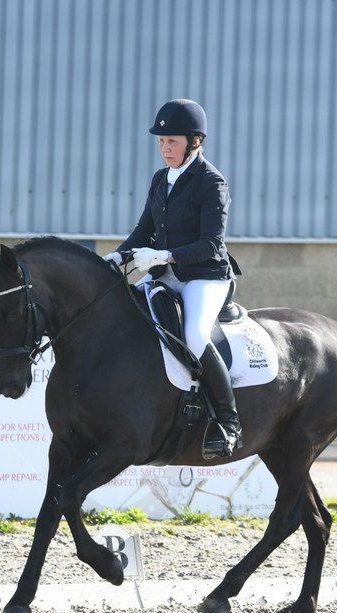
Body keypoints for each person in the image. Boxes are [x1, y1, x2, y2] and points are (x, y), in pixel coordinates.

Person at [104, 99, 242, 459]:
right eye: (161, 142)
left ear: (195, 141)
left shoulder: (212, 182)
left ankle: (228, 422)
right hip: (165, 274)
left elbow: (211, 244)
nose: (165, 149)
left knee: (194, 335)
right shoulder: (160, 179)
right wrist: (118, 255)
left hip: (205, 277)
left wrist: (166, 255)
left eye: (173, 142)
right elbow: (144, 231)